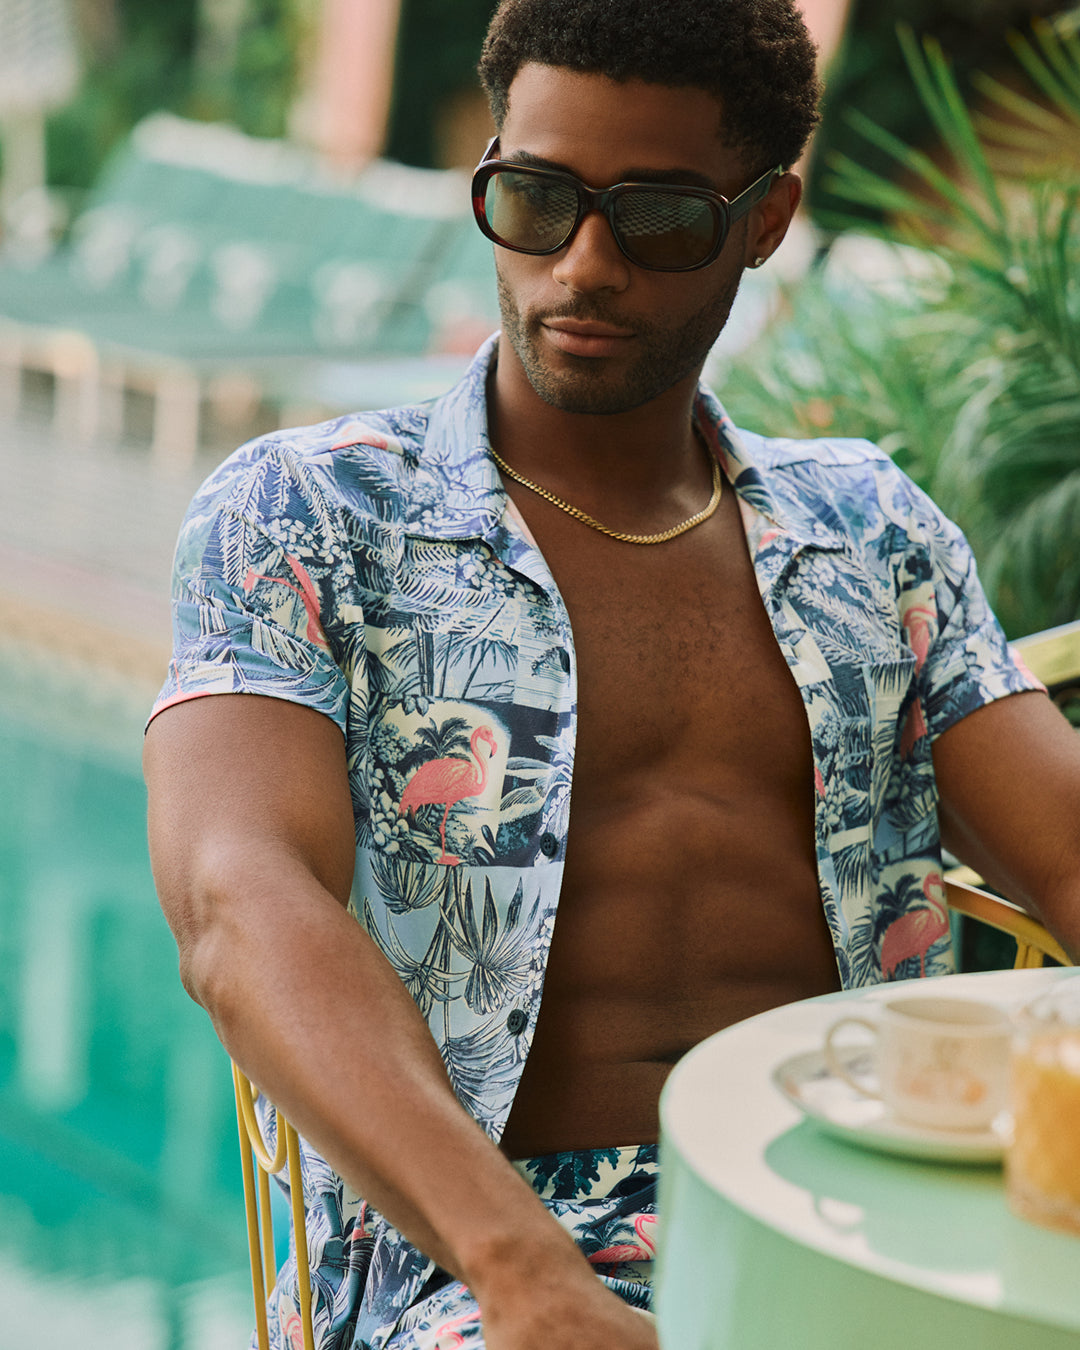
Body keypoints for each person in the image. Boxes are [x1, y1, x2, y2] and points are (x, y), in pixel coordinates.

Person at [143, 1, 1080, 1347]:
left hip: (858, 1216)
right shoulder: (311, 514)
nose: (580, 268)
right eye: (534, 200)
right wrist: (529, 1277)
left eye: (654, 220)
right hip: (469, 1255)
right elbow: (240, 903)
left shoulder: (873, 534)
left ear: (764, 220)